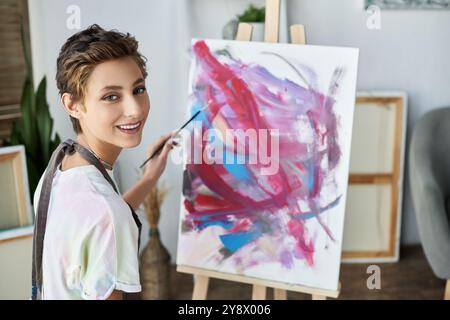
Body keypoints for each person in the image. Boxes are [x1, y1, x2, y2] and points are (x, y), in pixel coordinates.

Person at [32, 24, 176, 300]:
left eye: (138, 89)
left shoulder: (61, 167)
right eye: (111, 97)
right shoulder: (106, 213)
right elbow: (107, 217)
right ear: (73, 105)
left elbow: (97, 220)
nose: (134, 110)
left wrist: (148, 179)